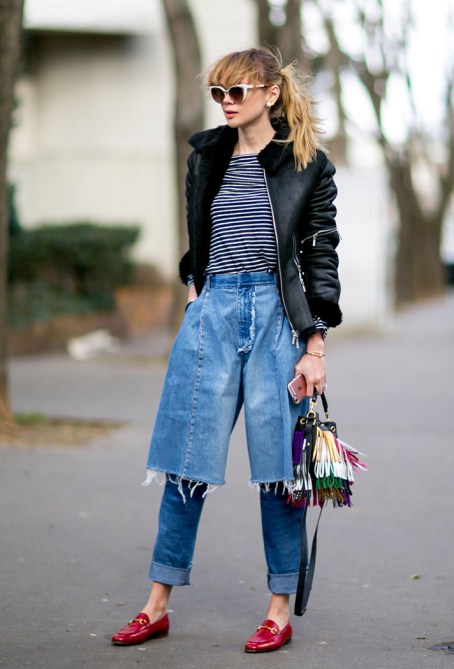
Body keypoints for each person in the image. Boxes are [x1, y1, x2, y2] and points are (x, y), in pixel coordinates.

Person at [112, 46, 341, 653]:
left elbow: (320, 255)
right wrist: (195, 294)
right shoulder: (207, 158)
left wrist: (315, 344)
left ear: (271, 93)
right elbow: (200, 239)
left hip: (276, 320)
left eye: (237, 91)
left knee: (279, 472)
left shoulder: (307, 165)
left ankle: (278, 610)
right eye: (219, 93)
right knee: (184, 462)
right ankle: (156, 605)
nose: (227, 102)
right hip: (211, 316)